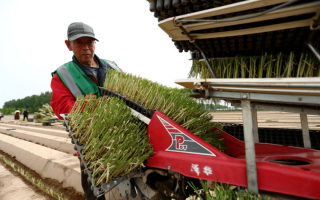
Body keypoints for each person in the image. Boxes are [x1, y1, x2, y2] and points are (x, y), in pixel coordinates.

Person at [50, 22, 121, 200]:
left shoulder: (112, 66)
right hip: (92, 145)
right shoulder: (64, 74)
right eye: (79, 43)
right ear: (69, 45)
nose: (85, 48)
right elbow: (62, 107)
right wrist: (96, 107)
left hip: (122, 138)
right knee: (94, 191)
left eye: (89, 42)